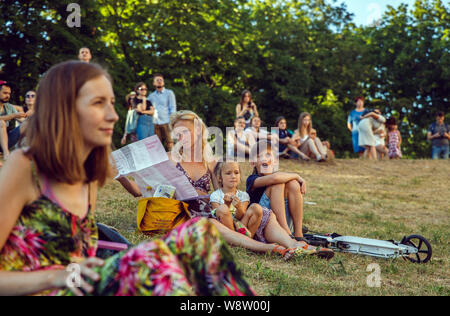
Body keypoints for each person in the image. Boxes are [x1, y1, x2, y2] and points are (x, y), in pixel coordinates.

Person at [0, 61, 255, 296]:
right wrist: (56, 277)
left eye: (111, 103)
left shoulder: (86, 175)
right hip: (50, 289)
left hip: (86, 285)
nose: (113, 115)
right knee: (158, 263)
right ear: (64, 106)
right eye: (99, 103)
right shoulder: (26, 166)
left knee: (199, 232)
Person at [119, 110, 333, 260]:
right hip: (187, 213)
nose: (182, 135)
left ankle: (297, 245)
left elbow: (224, 190)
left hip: (213, 208)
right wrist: (121, 177)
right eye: (178, 132)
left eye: (187, 130)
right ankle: (270, 248)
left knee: (264, 214)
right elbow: (140, 191)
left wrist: (237, 203)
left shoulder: (210, 161)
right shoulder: (169, 159)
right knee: (208, 225)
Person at [246, 140, 307, 240]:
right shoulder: (252, 179)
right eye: (259, 156)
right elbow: (274, 178)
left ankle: (298, 234)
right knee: (277, 183)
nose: (264, 159)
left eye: (268, 155)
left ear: (274, 160)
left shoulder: (279, 177)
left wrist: (295, 179)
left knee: (293, 184)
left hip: (281, 222)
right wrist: (297, 175)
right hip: (261, 225)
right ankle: (286, 234)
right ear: (252, 162)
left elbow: (277, 177)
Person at [210, 161, 263, 238]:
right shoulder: (215, 195)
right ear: (219, 178)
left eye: (236, 173)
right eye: (228, 173)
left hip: (241, 225)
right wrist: (227, 204)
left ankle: (248, 239)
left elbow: (241, 217)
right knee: (223, 208)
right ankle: (235, 239)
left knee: (256, 208)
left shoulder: (243, 195)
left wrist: (239, 207)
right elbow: (217, 218)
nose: (233, 176)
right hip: (226, 228)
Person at [148, 74, 176, 151]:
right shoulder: (151, 96)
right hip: (155, 123)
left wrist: (172, 121)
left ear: (163, 82)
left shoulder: (169, 93)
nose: (159, 81)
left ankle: (174, 162)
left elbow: (173, 108)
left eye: (161, 80)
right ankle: (160, 162)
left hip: (167, 122)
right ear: (154, 83)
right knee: (157, 145)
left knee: (170, 143)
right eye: (157, 80)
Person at [0, 82, 27, 159]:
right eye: (5, 93)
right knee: (1, 122)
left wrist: (30, 118)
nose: (8, 96)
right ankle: (6, 153)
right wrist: (13, 115)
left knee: (28, 124)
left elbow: (22, 120)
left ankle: (35, 151)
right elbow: (14, 116)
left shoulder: (9, 107)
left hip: (5, 141)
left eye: (9, 93)